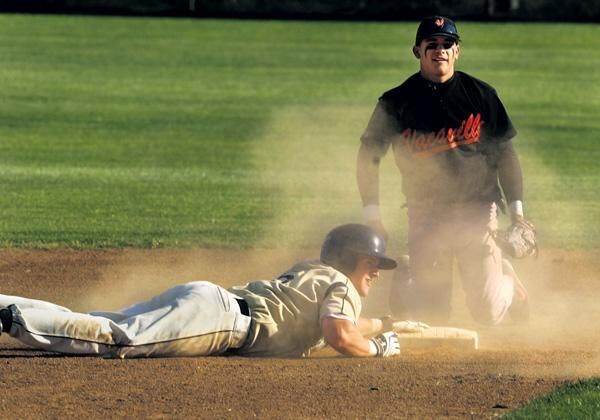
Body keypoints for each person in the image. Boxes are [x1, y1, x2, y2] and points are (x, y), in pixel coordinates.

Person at [0, 224, 427, 358]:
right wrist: (380, 348)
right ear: (352, 259)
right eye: (373, 264)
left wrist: (383, 323)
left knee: (102, 320)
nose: (376, 273)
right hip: (220, 321)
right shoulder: (340, 285)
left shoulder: (314, 273)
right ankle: (10, 318)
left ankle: (6, 304)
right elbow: (339, 335)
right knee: (118, 340)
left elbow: (339, 325)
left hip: (209, 300)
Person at [357, 16, 532, 325]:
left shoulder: (480, 95)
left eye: (447, 44)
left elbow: (505, 154)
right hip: (426, 214)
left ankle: (503, 275)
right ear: (417, 51)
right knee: (432, 316)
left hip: (477, 213)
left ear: (457, 51)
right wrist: (373, 216)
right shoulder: (397, 102)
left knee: (488, 314)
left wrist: (517, 214)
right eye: (432, 44)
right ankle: (410, 273)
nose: (440, 50)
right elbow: (368, 156)